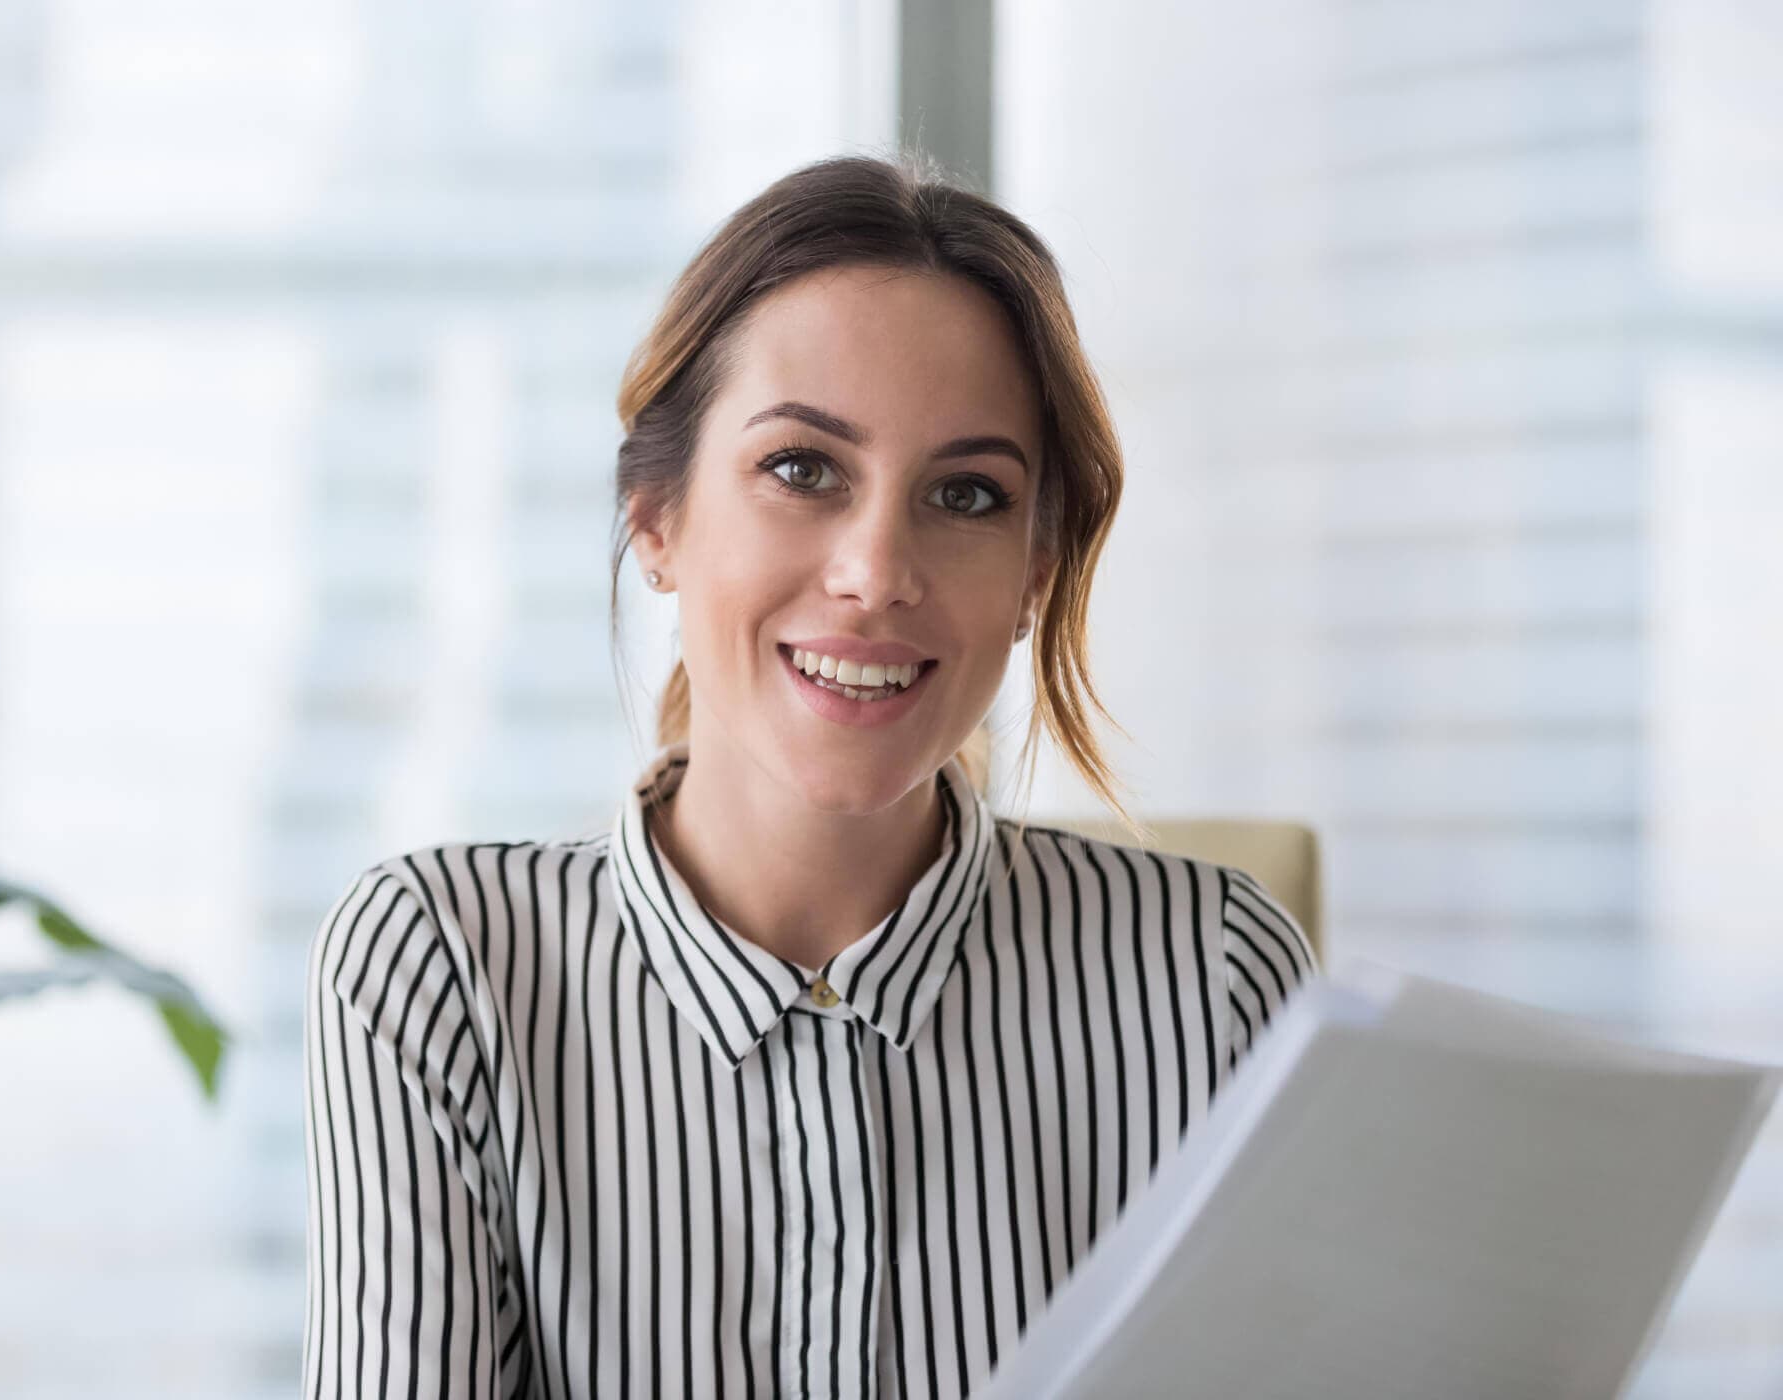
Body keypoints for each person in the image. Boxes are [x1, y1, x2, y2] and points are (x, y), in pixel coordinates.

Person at [301, 150, 1318, 1400]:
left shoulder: (1215, 979)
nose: (876, 570)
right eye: (801, 468)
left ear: (1033, 576)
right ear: (655, 519)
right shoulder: (442, 965)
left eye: (965, 493)